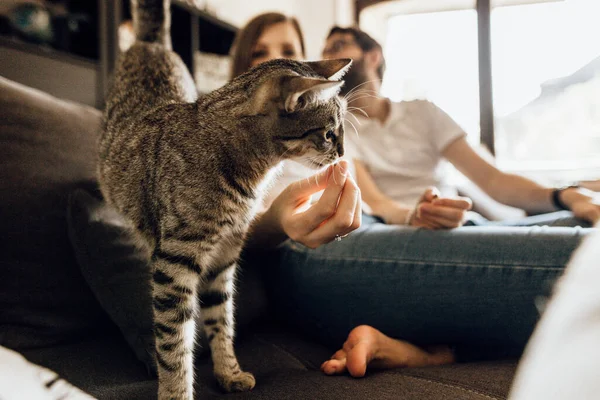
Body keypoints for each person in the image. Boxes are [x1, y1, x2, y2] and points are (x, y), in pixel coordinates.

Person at [231, 13, 597, 379]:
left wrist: (565, 195)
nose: (275, 64)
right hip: (336, 241)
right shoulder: (242, 134)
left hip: (398, 226)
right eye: (259, 53)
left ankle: (430, 352)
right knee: (584, 253)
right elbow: (233, 235)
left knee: (580, 225)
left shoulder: (338, 124)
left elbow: (376, 195)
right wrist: (281, 218)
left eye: (290, 51)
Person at [321, 26, 600, 229]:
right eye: (323, 52)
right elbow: (377, 203)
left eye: (337, 47)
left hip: (463, 225)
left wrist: (565, 195)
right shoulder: (338, 130)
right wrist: (415, 215)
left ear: (373, 56)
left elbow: (493, 181)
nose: (325, 58)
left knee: (579, 224)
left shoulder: (423, 112)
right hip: (402, 231)